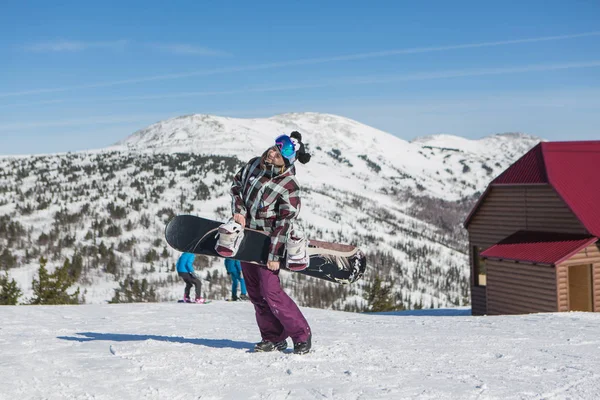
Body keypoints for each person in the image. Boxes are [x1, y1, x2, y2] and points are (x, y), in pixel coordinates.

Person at [220, 131, 313, 355]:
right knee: (254, 292)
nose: (271, 154)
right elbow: (236, 186)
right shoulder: (254, 165)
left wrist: (273, 256)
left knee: (271, 292)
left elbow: (284, 223)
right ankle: (273, 337)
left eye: (278, 155)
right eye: (273, 148)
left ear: (285, 162)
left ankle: (301, 335)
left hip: (270, 242)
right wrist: (239, 211)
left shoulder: (289, 186)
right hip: (246, 238)